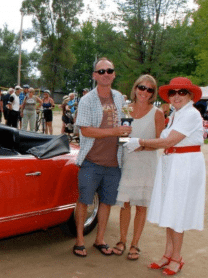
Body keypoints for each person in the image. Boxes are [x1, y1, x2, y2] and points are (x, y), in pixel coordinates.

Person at [124, 77, 205, 275]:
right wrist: (139, 145)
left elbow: (169, 141)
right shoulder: (177, 114)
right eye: (172, 92)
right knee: (170, 210)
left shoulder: (191, 114)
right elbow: (164, 140)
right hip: (172, 163)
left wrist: (139, 141)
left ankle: (177, 257)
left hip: (185, 165)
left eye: (182, 92)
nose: (176, 96)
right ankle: (168, 254)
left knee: (177, 212)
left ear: (190, 95)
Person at [73, 57, 131, 257]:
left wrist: (126, 137)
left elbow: (125, 126)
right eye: (101, 71)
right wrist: (115, 131)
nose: (105, 74)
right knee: (84, 200)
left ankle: (100, 239)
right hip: (91, 161)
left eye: (109, 70)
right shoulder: (87, 99)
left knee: (107, 202)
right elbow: (86, 130)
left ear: (114, 74)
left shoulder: (120, 98)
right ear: (94, 76)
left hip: (114, 162)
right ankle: (80, 240)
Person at [112, 75, 165, 260]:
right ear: (135, 88)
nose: (144, 92)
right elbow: (122, 136)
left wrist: (141, 145)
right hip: (128, 162)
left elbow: (161, 142)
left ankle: (135, 244)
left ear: (153, 93)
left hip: (146, 163)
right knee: (125, 204)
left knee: (141, 205)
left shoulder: (157, 113)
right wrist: (124, 140)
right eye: (142, 87)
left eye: (149, 89)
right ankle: (122, 240)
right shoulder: (126, 109)